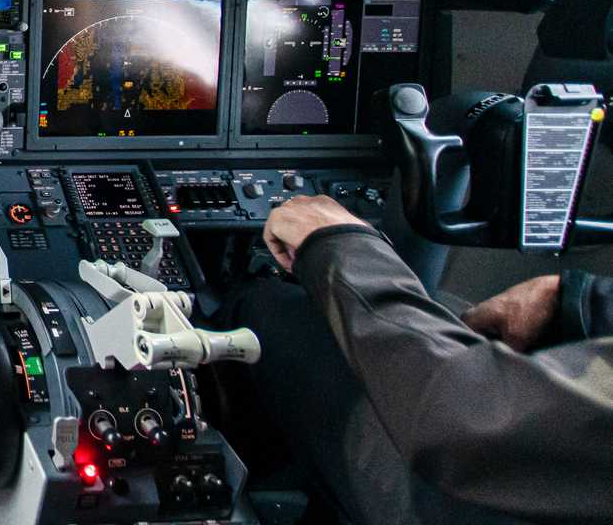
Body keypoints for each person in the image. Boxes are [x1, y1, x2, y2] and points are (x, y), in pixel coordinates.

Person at [230, 194, 613, 524]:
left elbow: (465, 417)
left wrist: (340, 244)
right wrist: (583, 301)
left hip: (487, 489)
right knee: (445, 313)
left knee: (266, 309)